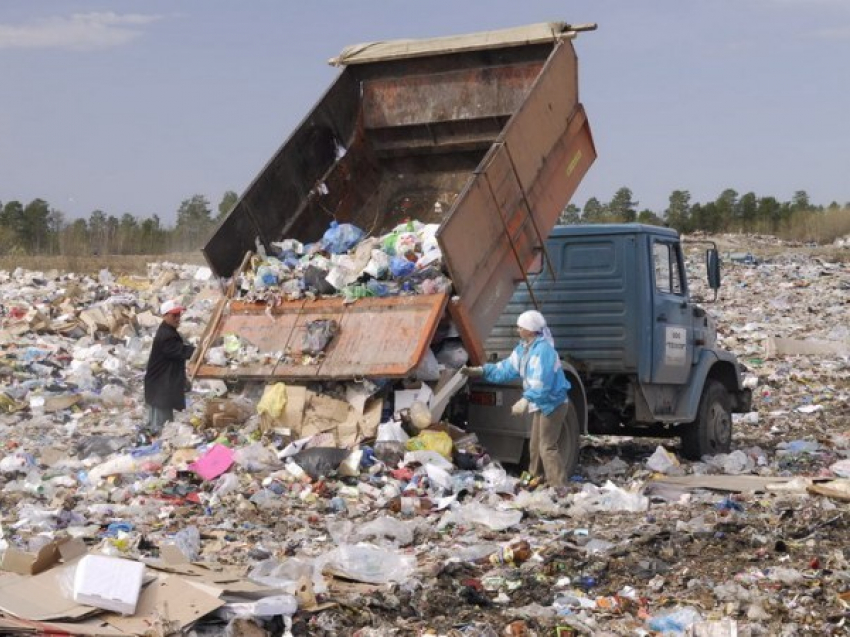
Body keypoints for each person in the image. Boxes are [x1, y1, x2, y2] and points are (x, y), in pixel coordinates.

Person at [462, 310, 572, 488]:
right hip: (542, 403)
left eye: (521, 327)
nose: (517, 329)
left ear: (531, 330)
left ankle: (559, 487)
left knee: (547, 447)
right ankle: (532, 481)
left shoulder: (544, 352)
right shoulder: (525, 349)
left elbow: (542, 383)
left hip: (553, 404)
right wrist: (482, 371)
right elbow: (505, 368)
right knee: (535, 447)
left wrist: (525, 400)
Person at [143, 299, 195, 439]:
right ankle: (161, 444)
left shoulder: (168, 331)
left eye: (179, 315)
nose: (178, 318)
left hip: (159, 383)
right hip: (161, 384)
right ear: (165, 316)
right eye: (174, 316)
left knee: (158, 418)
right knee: (162, 423)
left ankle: (157, 440)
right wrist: (197, 352)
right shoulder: (167, 335)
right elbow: (178, 351)